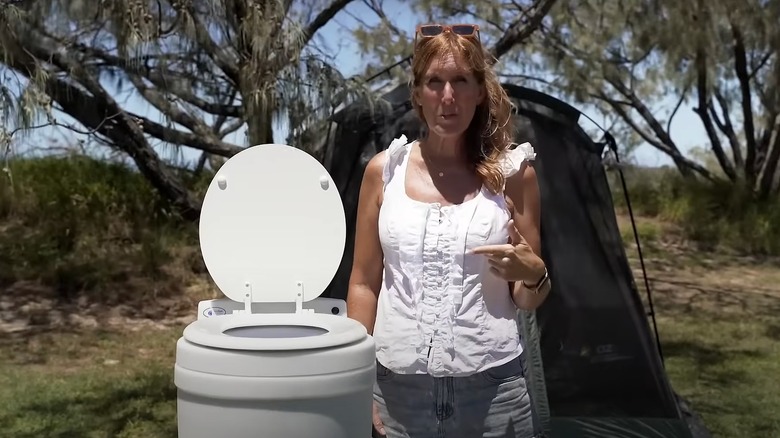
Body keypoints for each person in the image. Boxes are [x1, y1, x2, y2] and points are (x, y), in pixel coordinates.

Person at [346, 23, 552, 438]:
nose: (448, 97)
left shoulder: (513, 175)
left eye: (461, 81)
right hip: (397, 392)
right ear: (418, 94)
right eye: (434, 82)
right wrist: (355, 382)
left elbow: (528, 298)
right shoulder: (383, 172)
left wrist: (535, 275)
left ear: (479, 90)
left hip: (494, 395)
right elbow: (365, 285)